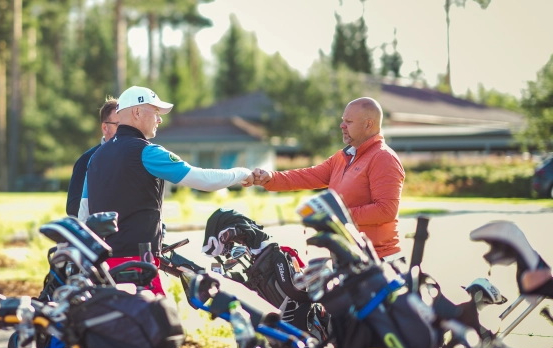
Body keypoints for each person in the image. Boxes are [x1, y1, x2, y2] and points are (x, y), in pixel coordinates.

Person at [79, 85, 255, 295]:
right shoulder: (147, 152)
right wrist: (243, 173)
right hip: (138, 265)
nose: (160, 120)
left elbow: (84, 214)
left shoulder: (96, 157)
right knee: (159, 324)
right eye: (155, 112)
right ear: (136, 112)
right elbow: (204, 180)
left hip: (103, 268)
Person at [252, 97, 405, 260]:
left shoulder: (383, 158)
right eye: (343, 121)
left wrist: (335, 217)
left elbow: (385, 210)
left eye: (349, 121)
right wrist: (270, 178)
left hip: (379, 261)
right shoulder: (343, 156)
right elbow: (308, 176)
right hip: (348, 259)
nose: (342, 126)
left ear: (368, 124)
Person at [66, 98, 119, 217]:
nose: (125, 130)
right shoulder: (87, 159)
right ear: (105, 128)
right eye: (119, 125)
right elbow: (73, 207)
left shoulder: (134, 157)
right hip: (98, 232)